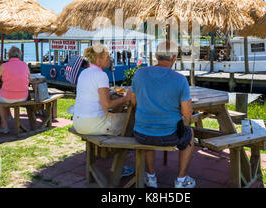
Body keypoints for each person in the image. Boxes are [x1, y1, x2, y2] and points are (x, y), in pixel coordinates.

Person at [131, 40, 195, 188]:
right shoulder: (180, 80)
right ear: (174, 58)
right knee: (189, 133)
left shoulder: (139, 74)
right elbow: (187, 114)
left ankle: (151, 177)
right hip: (169, 137)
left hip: (140, 134)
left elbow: (134, 102)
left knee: (149, 137)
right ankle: (180, 180)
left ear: (155, 56)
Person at [73, 44, 133, 177]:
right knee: (130, 121)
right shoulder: (101, 75)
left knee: (118, 117)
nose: (110, 59)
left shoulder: (84, 72)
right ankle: (118, 166)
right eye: (107, 57)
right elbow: (107, 105)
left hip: (78, 122)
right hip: (92, 124)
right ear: (98, 60)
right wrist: (125, 99)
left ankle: (107, 153)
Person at [0, 46, 30, 134]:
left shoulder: (4, 66)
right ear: (19, 55)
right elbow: (29, 78)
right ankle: (9, 115)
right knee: (5, 94)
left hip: (7, 97)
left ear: (9, 55)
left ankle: (4, 126)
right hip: (23, 96)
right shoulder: (25, 65)